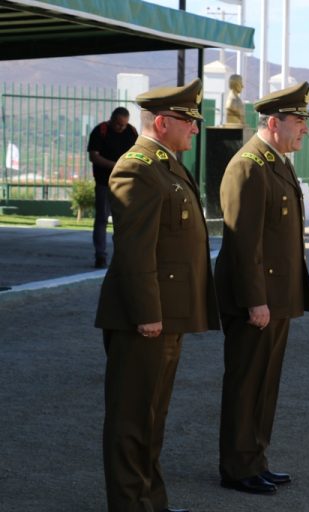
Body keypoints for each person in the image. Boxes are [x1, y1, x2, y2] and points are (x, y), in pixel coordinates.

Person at [95, 78, 219, 512]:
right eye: (190, 121)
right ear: (164, 122)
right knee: (132, 419)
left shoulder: (163, 163)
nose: (196, 130)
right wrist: (149, 313)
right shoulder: (138, 167)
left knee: (153, 416)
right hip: (144, 318)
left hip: (166, 316)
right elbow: (135, 249)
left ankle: (152, 502)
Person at [215, 81, 309, 495]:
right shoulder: (248, 165)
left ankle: (255, 458)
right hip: (255, 302)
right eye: (299, 121)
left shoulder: (275, 161)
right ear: (275, 122)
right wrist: (256, 299)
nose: (304, 130)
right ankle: (237, 467)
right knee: (246, 383)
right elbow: (244, 243)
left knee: (265, 384)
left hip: (277, 300)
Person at [87, 107, 138, 268]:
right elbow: (93, 156)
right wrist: (116, 166)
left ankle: (122, 256)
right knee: (102, 218)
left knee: (123, 220)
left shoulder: (131, 132)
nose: (121, 128)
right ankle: (100, 255)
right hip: (104, 182)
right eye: (118, 125)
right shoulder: (100, 131)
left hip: (125, 184)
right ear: (111, 120)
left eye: (123, 125)